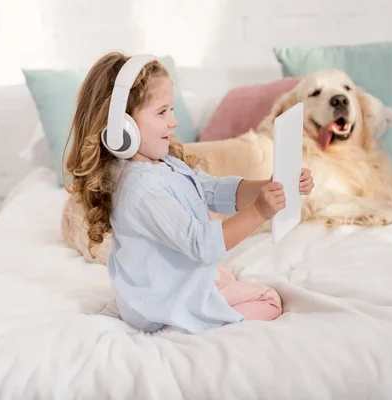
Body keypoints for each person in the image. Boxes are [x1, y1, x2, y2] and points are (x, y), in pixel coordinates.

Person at [64, 52, 314, 334]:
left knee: (222, 276)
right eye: (162, 112)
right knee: (268, 301)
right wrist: (259, 212)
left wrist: (271, 185)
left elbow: (217, 191)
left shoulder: (163, 164)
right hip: (158, 307)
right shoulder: (141, 189)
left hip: (162, 285)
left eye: (171, 110)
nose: (173, 122)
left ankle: (192, 306)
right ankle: (176, 327)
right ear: (122, 127)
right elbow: (201, 245)